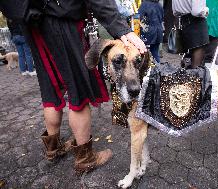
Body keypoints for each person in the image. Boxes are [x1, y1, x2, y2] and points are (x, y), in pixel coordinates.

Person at [0, 0, 146, 173]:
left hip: (32, 22)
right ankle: (85, 158)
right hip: (62, 21)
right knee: (78, 90)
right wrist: (122, 28)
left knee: (51, 90)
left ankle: (53, 149)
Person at [172, 0, 209, 68]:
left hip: (183, 20)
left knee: (188, 54)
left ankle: (187, 75)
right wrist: (206, 11)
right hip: (197, 21)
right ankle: (194, 75)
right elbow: (197, 11)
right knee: (196, 64)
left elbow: (175, 12)